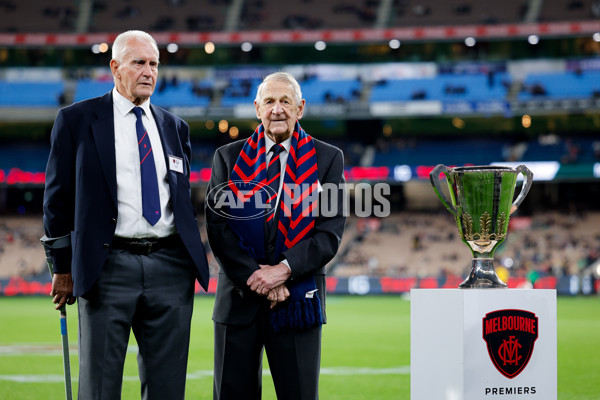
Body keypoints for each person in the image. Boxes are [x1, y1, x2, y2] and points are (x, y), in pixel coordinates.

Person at [42, 30, 210, 399]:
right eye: (139, 63)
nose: (149, 71)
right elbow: (56, 200)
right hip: (107, 267)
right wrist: (62, 268)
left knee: (168, 389)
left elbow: (179, 199)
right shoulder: (76, 120)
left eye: (154, 64)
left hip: (170, 266)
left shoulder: (174, 127)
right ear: (115, 67)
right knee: (100, 387)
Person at [205, 72, 346, 399]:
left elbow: (329, 234)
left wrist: (283, 271)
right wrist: (256, 277)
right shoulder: (227, 157)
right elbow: (218, 228)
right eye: (269, 101)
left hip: (297, 300)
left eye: (286, 101)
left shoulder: (328, 159)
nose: (277, 109)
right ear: (257, 108)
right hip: (238, 301)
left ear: (301, 108)